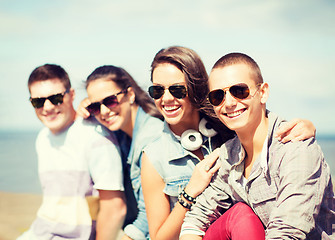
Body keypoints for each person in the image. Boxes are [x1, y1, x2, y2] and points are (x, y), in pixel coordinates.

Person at [140, 46, 317, 240]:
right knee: (241, 214)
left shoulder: (227, 128)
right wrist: (190, 192)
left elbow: (257, 116)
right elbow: (162, 236)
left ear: (196, 89)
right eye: (157, 90)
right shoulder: (155, 155)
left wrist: (305, 127)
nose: (166, 98)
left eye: (177, 90)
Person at [180, 53, 335, 239]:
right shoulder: (229, 155)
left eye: (239, 91)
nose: (228, 103)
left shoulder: (295, 149)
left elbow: (287, 232)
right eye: (218, 96)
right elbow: (196, 219)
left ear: (263, 93)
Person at [18, 64, 127, 240]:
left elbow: (115, 208)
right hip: (40, 232)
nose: (47, 107)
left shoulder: (96, 137)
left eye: (56, 98)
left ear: (72, 95)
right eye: (38, 101)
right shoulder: (43, 138)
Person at [79, 65, 164, 240]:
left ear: (130, 95)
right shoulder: (124, 133)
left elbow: (150, 215)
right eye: (95, 106)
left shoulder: (151, 138)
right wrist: (83, 112)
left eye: (110, 100)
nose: (103, 112)